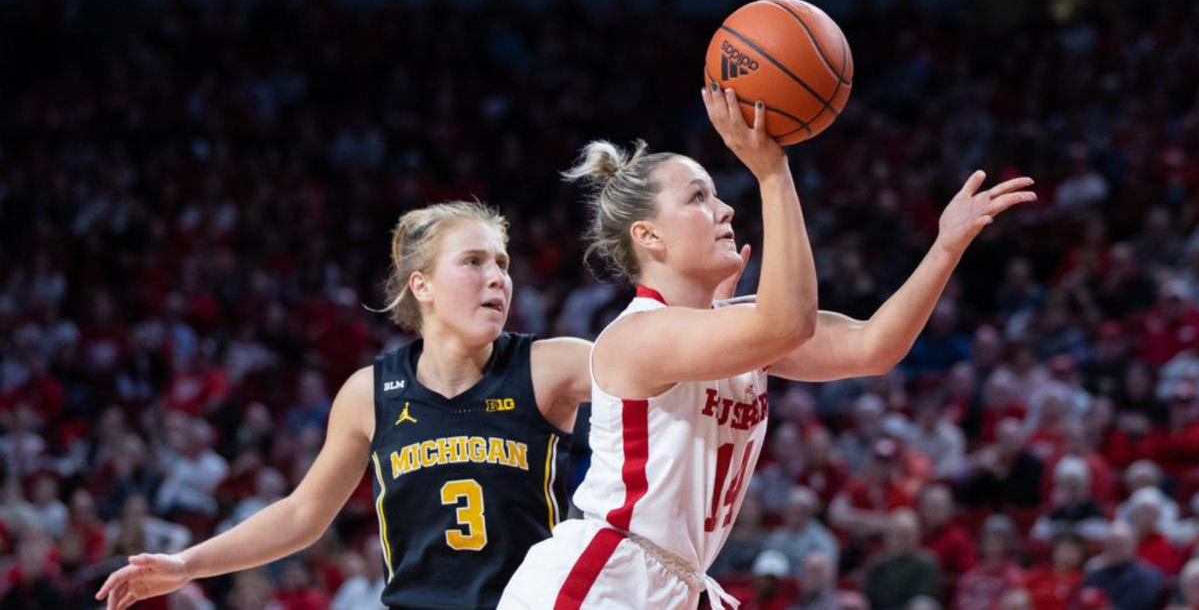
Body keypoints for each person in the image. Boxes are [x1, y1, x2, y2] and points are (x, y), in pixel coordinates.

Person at [500, 87, 1035, 610]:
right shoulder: (638, 335)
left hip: (670, 584)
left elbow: (873, 347)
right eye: (698, 197)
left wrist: (945, 247)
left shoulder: (734, 330)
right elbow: (786, 323)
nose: (726, 209)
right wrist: (772, 172)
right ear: (650, 237)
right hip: (600, 580)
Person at [96, 202, 596, 610]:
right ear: (421, 285)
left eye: (502, 263)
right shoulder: (369, 392)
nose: (497, 278)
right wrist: (186, 566)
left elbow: (658, 371)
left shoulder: (550, 366)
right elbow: (301, 516)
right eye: (474, 261)